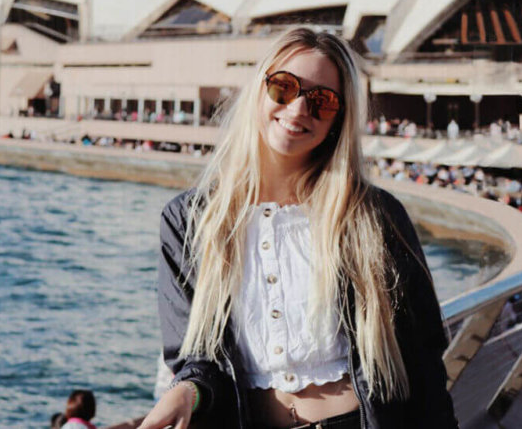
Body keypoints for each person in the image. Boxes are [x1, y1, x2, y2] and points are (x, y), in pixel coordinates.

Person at [140, 29, 456, 428]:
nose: (299, 107)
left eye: (322, 100)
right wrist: (189, 391)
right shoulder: (188, 221)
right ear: (259, 90)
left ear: (338, 120)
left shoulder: (373, 216)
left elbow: (423, 359)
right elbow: (196, 359)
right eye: (284, 86)